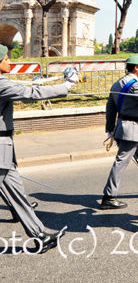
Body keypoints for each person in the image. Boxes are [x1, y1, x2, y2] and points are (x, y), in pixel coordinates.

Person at [0, 44, 79, 253]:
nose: (10, 62)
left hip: (4, 151)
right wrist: (68, 85)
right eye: (6, 59)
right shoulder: (0, 84)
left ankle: (40, 236)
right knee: (15, 192)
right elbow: (32, 93)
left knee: (17, 194)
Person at [100, 55, 138, 210]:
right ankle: (109, 196)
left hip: (123, 127)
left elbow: (110, 108)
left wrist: (110, 129)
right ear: (136, 68)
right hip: (131, 129)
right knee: (121, 162)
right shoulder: (136, 85)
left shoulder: (117, 84)